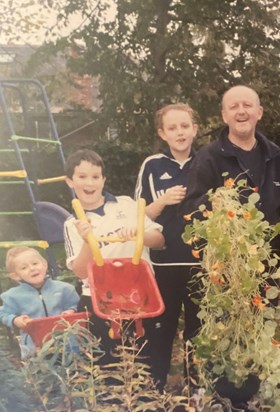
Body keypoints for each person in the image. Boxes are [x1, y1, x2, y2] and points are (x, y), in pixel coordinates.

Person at [63, 149, 164, 366]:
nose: (89, 183)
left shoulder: (127, 205)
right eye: (81, 177)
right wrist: (88, 240)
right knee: (107, 361)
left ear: (103, 179)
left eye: (95, 176)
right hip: (99, 298)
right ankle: (111, 400)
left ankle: (149, 397)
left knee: (146, 358)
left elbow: (160, 240)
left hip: (139, 293)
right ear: (70, 181)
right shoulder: (72, 224)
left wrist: (140, 234)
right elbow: (81, 271)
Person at [134, 103, 201, 391]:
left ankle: (197, 392)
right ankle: (154, 392)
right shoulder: (152, 165)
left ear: (194, 129)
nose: (180, 132)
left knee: (199, 334)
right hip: (163, 266)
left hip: (203, 265)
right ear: (163, 133)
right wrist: (161, 202)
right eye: (172, 128)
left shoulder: (207, 162)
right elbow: (138, 214)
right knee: (159, 333)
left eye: (185, 126)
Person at [182, 85, 280, 226]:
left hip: (274, 246)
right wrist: (213, 203)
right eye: (233, 107)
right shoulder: (208, 158)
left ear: (259, 112)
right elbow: (189, 209)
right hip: (227, 247)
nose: (241, 111)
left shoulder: (275, 155)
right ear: (224, 116)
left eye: (247, 105)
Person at [0, 246, 79, 359]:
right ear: (16, 276)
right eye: (24, 268)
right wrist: (15, 320)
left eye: (35, 263)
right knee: (41, 374)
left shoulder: (64, 289)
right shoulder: (12, 296)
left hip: (66, 342)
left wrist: (70, 311)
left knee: (72, 372)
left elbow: (76, 305)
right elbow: (3, 314)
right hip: (34, 347)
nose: (32, 268)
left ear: (45, 264)